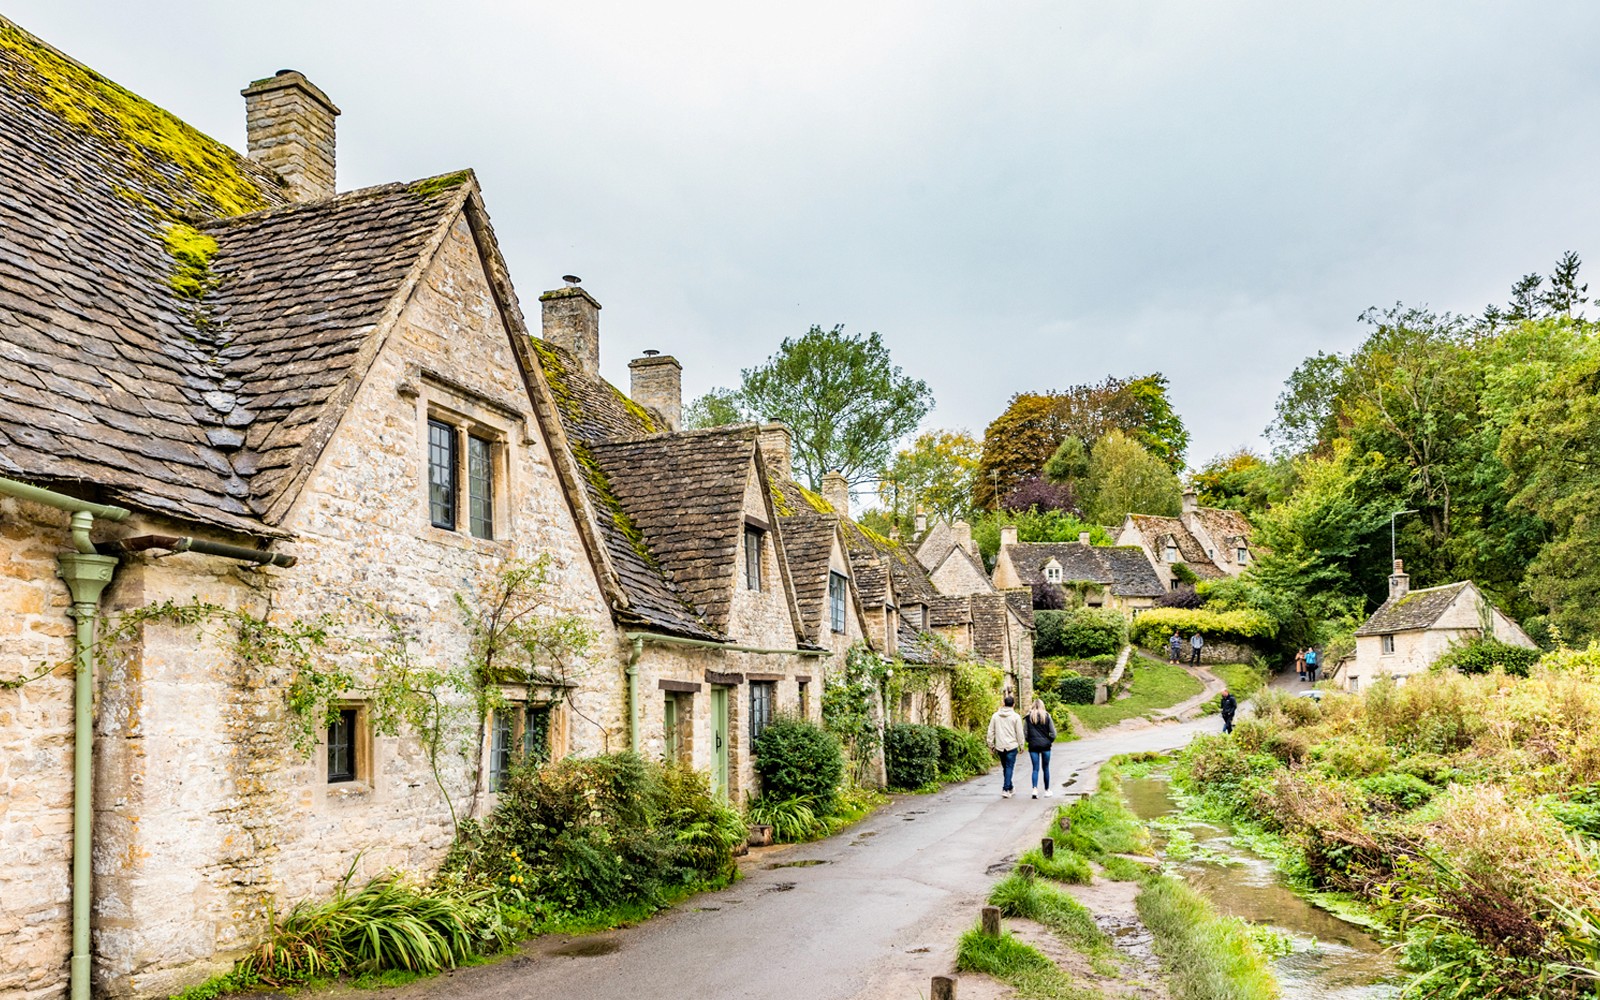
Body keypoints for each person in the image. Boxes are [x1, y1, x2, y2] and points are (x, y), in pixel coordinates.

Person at [985, 694, 1027, 798]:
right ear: (1013, 704)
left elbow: (991, 731)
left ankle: (1010, 787)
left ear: (1003, 704)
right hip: (1011, 746)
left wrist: (991, 744)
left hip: (1000, 746)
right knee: (1009, 768)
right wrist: (1021, 745)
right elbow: (1019, 732)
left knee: (1005, 768)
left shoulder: (995, 716)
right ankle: (1005, 789)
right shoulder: (1016, 717)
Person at [1024, 698, 1057, 799]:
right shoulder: (1047, 716)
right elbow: (1053, 733)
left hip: (1033, 746)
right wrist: (1049, 741)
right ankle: (1047, 790)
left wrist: (1029, 741)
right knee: (1045, 768)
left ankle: (1034, 789)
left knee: (1035, 768)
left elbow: (1025, 732)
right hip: (1045, 746)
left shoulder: (1028, 717)